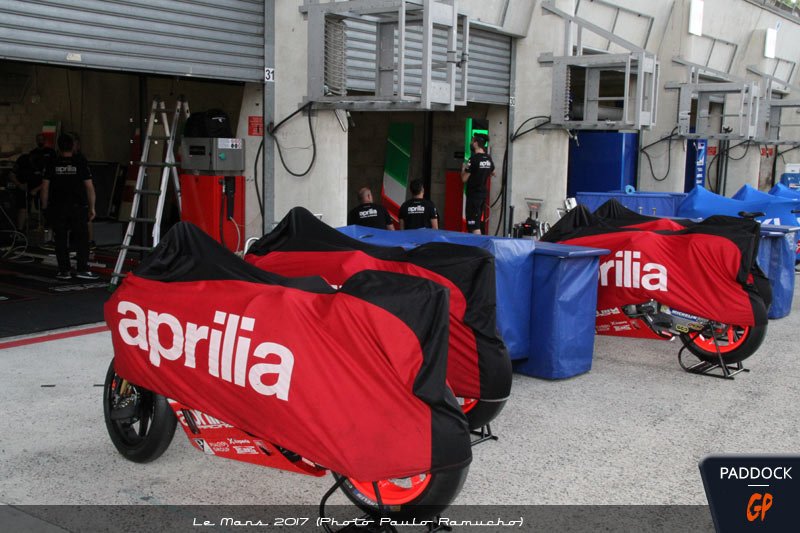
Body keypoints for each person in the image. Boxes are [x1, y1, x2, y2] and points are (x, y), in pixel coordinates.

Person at [41, 134, 99, 281]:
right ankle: (82, 269)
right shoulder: (80, 161)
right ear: (73, 146)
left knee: (60, 239)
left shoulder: (52, 162)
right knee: (82, 239)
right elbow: (89, 187)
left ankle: (64, 271)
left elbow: (45, 187)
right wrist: (92, 207)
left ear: (58, 146)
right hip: (77, 207)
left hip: (57, 206)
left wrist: (44, 207)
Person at [460, 134, 495, 235]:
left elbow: (464, 179)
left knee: (474, 225)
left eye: (472, 141)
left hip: (473, 195)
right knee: (477, 222)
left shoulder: (473, 159)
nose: (471, 143)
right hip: (482, 195)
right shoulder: (488, 158)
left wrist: (463, 168)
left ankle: (477, 243)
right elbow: (493, 172)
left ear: (476, 143)